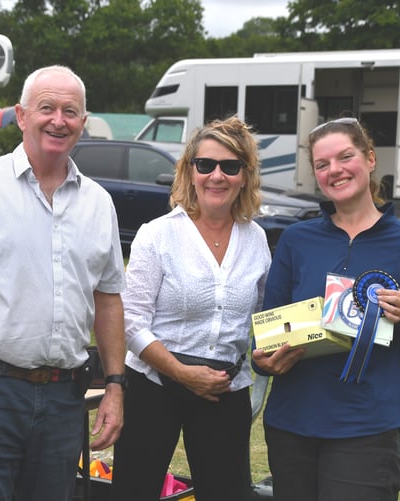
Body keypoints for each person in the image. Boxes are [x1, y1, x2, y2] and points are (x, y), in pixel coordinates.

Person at [0, 65, 127, 501]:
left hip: (64, 397)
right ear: (21, 115)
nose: (58, 120)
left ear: (83, 123)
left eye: (70, 111)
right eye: (46, 107)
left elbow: (108, 301)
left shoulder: (98, 203)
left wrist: (114, 386)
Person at [253, 116, 400, 500]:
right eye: (322, 165)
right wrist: (264, 361)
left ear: (370, 159)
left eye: (346, 157)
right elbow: (269, 328)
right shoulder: (296, 239)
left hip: (367, 426)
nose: (335, 171)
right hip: (292, 423)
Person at [109, 116, 272, 501]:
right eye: (206, 165)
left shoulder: (257, 240)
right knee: (134, 491)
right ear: (189, 170)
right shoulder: (158, 234)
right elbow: (130, 322)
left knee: (226, 493)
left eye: (230, 166)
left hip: (224, 389)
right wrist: (183, 373)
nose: (217, 176)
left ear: (245, 176)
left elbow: (263, 317)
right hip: (154, 385)